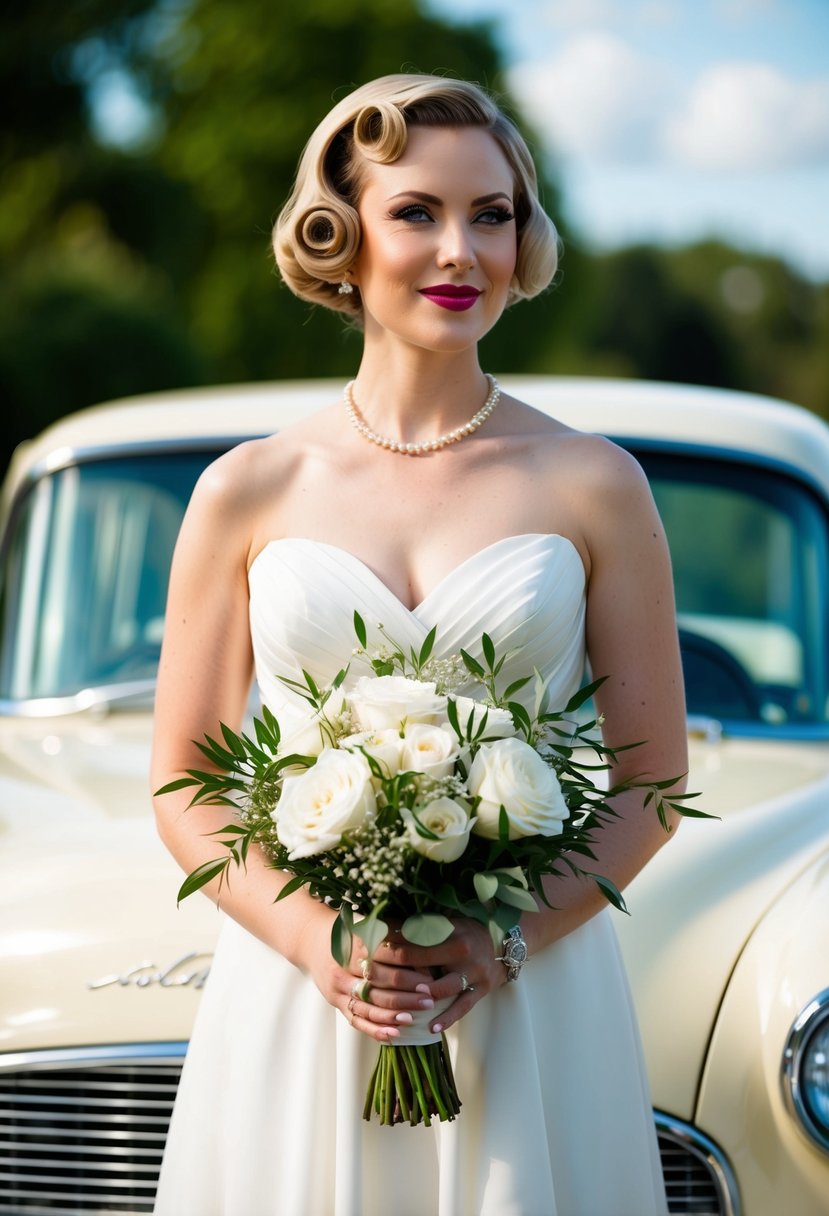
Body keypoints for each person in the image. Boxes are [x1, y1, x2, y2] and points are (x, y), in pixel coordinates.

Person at [151, 73, 687, 1216]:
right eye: (417, 212)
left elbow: (651, 779)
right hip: (303, 992)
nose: (462, 250)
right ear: (337, 234)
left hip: (528, 998)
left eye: (491, 214)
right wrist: (315, 943)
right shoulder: (245, 488)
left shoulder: (596, 482)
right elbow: (182, 780)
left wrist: (505, 940)